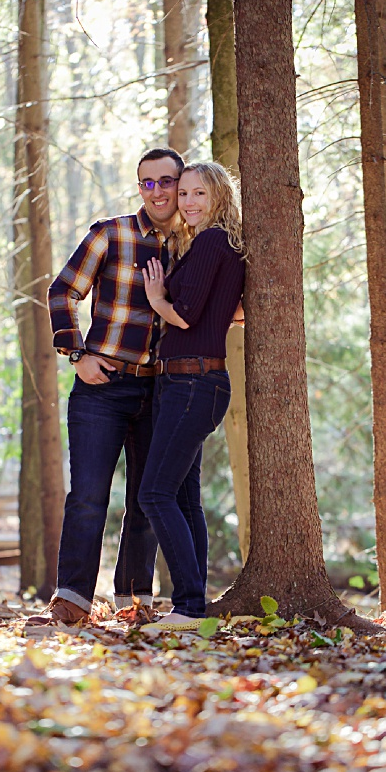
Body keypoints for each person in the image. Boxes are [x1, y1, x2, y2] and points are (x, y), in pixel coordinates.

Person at [27, 148, 183, 627]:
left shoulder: (190, 244)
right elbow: (62, 291)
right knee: (89, 495)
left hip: (161, 390)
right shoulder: (110, 234)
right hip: (102, 387)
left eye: (165, 181)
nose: (156, 191)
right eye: (146, 182)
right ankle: (72, 598)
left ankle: (133, 599)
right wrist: (78, 354)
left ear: (182, 184)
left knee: (147, 496)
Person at [135, 161, 246, 631]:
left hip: (191, 383)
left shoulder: (211, 242)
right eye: (184, 194)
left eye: (200, 193)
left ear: (219, 196)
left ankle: (187, 607)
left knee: (154, 494)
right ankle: (193, 606)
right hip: (190, 382)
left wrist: (158, 298)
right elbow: (225, 311)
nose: (189, 202)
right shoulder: (215, 245)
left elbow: (185, 314)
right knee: (183, 499)